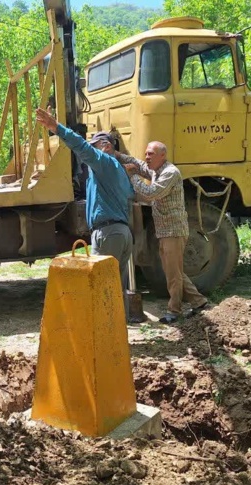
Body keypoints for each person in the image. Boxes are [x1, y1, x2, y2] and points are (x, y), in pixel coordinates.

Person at [35, 108, 134, 307]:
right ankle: (117, 334)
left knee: (102, 286)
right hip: (121, 233)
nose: (88, 154)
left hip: (108, 234)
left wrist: (57, 128)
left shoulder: (105, 162)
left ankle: (105, 333)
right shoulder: (118, 171)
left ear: (105, 146)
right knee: (116, 288)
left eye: (94, 146)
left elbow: (81, 147)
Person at [117, 142, 208, 324]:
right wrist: (117, 154)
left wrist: (132, 176)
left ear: (162, 156)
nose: (147, 157)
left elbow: (151, 193)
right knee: (173, 270)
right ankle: (199, 301)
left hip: (173, 231)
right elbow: (137, 163)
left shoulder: (170, 173)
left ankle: (174, 311)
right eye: (146, 153)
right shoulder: (155, 169)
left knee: (173, 274)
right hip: (166, 231)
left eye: (151, 154)